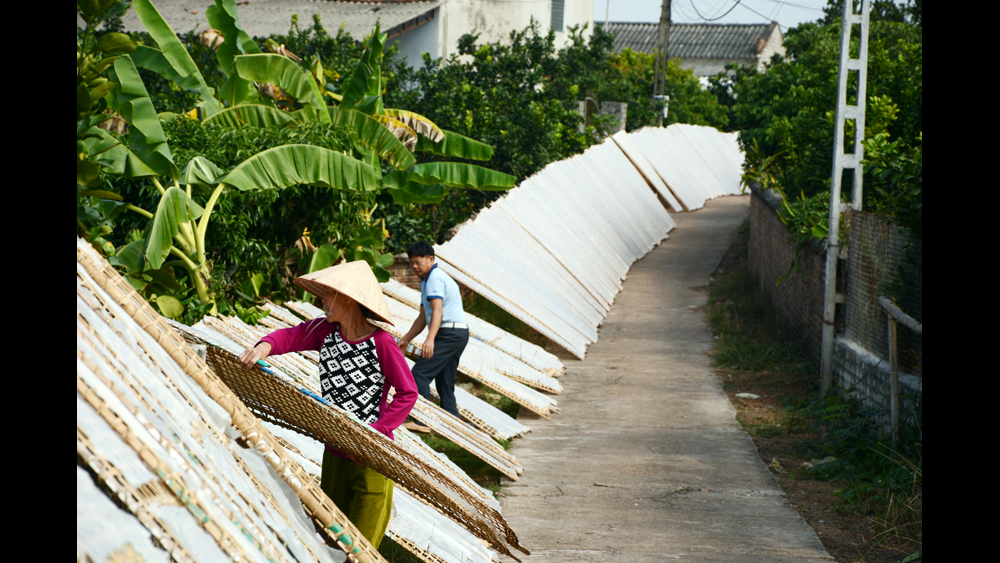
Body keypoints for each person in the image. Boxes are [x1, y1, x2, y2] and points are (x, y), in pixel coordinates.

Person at [237, 260, 417, 550]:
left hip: (371, 457)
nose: (321, 300)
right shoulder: (325, 331)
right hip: (335, 452)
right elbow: (290, 336)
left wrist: (375, 432)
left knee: (361, 549)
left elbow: (408, 392)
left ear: (347, 298)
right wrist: (263, 347)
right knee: (331, 539)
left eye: (327, 294)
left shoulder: (382, 343)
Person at [397, 241, 469, 421]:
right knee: (445, 383)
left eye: (418, 262)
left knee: (419, 374)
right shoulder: (427, 281)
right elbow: (423, 317)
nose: (414, 267)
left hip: (449, 334)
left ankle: (421, 420)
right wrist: (406, 339)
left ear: (431, 259)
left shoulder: (434, 278)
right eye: (411, 262)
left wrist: (430, 340)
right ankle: (454, 425)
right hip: (457, 334)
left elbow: (438, 310)